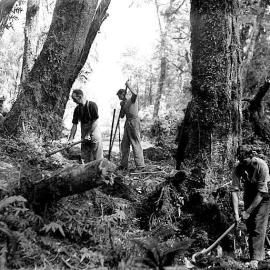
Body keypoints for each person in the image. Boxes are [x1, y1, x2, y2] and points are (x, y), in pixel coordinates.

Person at [231, 145, 270, 269]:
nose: (243, 164)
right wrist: (237, 214)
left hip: (264, 195)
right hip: (250, 191)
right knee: (250, 225)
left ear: (251, 157)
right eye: (240, 161)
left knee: (258, 223)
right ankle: (257, 254)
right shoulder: (238, 167)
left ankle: (256, 259)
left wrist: (248, 211)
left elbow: (261, 192)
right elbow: (234, 191)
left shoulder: (261, 166)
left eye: (245, 161)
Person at [68, 89, 103, 163]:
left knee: (96, 153)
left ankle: (100, 168)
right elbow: (74, 125)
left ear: (80, 97)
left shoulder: (92, 105)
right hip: (84, 132)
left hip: (94, 130)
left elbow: (95, 122)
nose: (74, 101)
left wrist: (88, 134)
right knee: (85, 154)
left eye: (74, 99)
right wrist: (71, 139)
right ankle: (86, 169)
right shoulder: (77, 109)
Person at [116, 80, 145, 171]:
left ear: (123, 94)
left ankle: (140, 166)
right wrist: (122, 106)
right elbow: (121, 116)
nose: (119, 98)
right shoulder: (124, 103)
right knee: (124, 144)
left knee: (135, 143)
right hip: (127, 123)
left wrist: (128, 85)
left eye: (119, 96)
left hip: (134, 121)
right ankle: (123, 165)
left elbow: (135, 93)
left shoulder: (132, 99)